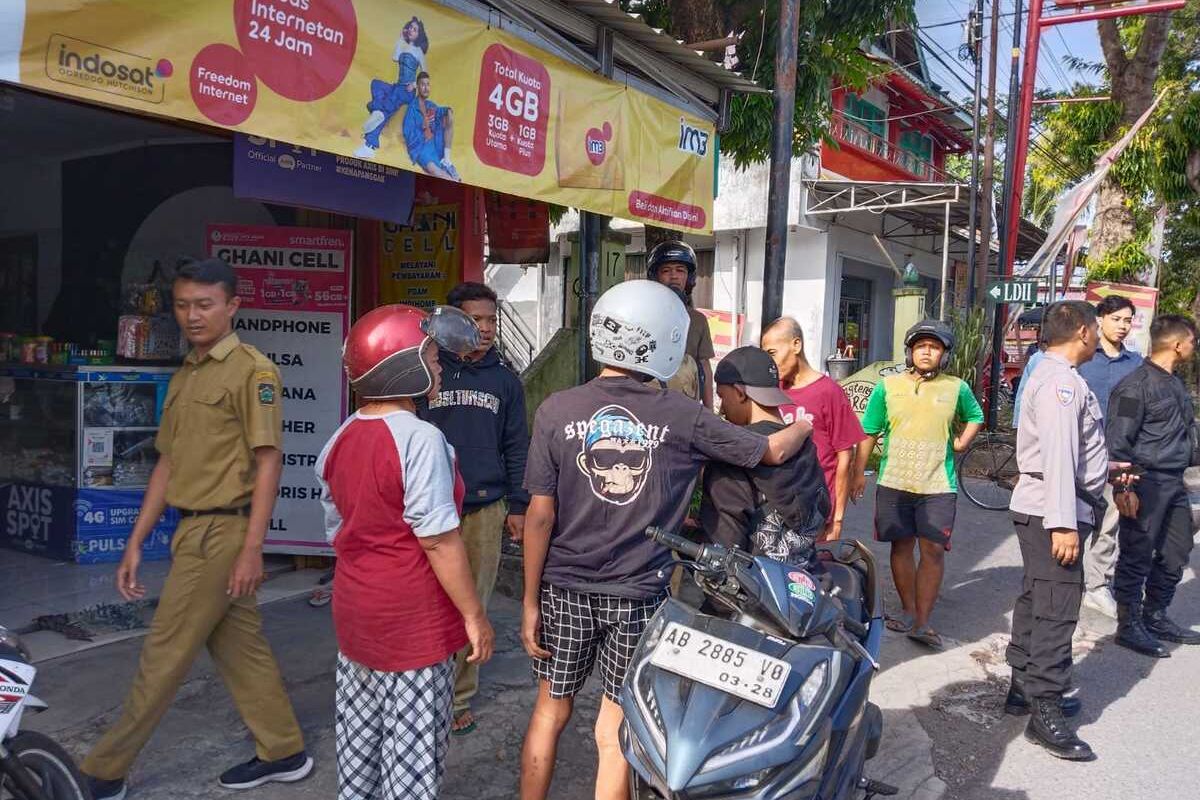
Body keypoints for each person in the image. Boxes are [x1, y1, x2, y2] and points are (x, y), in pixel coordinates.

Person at [518, 280, 813, 800]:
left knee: (549, 710)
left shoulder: (556, 410)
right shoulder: (684, 415)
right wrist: (804, 426)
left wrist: (528, 601)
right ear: (666, 342)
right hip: (639, 597)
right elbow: (770, 453)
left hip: (563, 590)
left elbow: (539, 517)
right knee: (614, 732)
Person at [83, 259, 312, 800]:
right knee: (240, 648)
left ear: (232, 306)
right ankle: (285, 751)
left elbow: (268, 461)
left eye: (204, 304)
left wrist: (254, 549)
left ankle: (103, 771)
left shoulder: (251, 372)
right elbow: (165, 463)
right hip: (192, 529)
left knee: (163, 653)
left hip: (223, 534)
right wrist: (135, 541)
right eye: (183, 305)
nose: (192, 315)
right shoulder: (187, 372)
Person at [316, 303, 494, 800]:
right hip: (413, 620)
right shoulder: (421, 440)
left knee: (360, 744)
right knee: (412, 761)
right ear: (402, 365)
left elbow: (337, 528)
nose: (440, 366)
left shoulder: (339, 438)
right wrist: (473, 615)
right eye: (432, 357)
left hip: (355, 612)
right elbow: (437, 537)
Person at [419, 281, 529, 735]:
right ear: (453, 322)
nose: (485, 329)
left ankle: (459, 696)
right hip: (429, 508)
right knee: (427, 604)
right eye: (474, 320)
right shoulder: (427, 372)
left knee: (472, 606)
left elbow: (517, 445)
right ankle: (423, 690)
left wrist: (518, 505)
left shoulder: (504, 379)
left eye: (490, 319)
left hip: (484, 509)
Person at [1006, 301, 1113, 761]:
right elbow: (1058, 455)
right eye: (1098, 329)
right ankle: (1043, 709)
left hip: (1048, 506)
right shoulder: (1061, 384)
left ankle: (1022, 685)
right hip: (1055, 510)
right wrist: (1064, 523)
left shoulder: (1053, 377)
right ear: (1085, 332)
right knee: (1056, 608)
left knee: (1037, 596)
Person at [859, 319, 984, 649]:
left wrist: (961, 442)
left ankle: (923, 621)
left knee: (932, 550)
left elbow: (975, 415)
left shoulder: (956, 387)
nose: (927, 351)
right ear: (910, 352)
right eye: (921, 346)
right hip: (895, 481)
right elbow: (869, 432)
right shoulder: (887, 387)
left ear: (944, 354)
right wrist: (858, 472)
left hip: (938, 484)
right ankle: (909, 609)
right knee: (901, 547)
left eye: (934, 347)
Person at [1106, 314, 1200, 658]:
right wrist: (1122, 486)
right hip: (1144, 481)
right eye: (1192, 341)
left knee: (1176, 551)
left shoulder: (1174, 383)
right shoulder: (1134, 387)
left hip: (1174, 482)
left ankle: (1155, 615)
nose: (1194, 347)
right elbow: (1118, 439)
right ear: (1177, 344)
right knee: (1137, 554)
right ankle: (1128, 625)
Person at [701, 346, 831, 565]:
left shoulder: (733, 457)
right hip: (803, 581)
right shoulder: (802, 444)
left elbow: (723, 547)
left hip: (751, 592)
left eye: (722, 396)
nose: (722, 409)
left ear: (740, 392)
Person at [761, 316, 866, 541]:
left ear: (796, 345)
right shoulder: (770, 392)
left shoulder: (829, 392)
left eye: (772, 353)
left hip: (816, 511)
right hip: (779, 508)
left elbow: (844, 458)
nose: (770, 363)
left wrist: (837, 520)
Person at [1075, 295, 1143, 619]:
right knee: (1074, 518)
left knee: (1110, 523)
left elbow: (1137, 411)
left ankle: (1097, 585)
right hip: (1078, 455)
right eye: (1116, 318)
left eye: (1127, 320)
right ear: (1100, 319)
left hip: (1117, 456)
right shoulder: (1084, 358)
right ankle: (1068, 580)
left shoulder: (1135, 364)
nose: (1122, 326)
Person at [646, 240, 715, 408]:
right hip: (649, 403)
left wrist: (709, 411)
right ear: (656, 276)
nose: (674, 276)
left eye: (680, 270)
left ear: (689, 277)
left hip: (685, 406)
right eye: (666, 271)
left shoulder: (698, 320)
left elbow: (704, 366)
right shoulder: (643, 314)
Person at [355, 16, 428, 160]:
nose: (412, 31)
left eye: (415, 29)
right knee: (376, 84)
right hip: (397, 86)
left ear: (419, 34)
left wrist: (414, 84)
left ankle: (369, 146)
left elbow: (425, 73)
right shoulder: (403, 45)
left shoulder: (418, 51)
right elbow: (395, 57)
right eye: (411, 28)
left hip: (407, 90)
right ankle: (377, 110)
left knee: (386, 110)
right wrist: (400, 39)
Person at [400, 72, 459, 180]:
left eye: (428, 84)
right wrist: (420, 128)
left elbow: (440, 112)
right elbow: (407, 132)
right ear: (417, 86)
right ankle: (453, 181)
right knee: (434, 170)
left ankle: (447, 160)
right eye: (423, 84)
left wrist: (448, 110)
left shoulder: (430, 105)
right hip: (423, 146)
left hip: (436, 142)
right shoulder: (412, 108)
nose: (426, 88)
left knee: (448, 115)